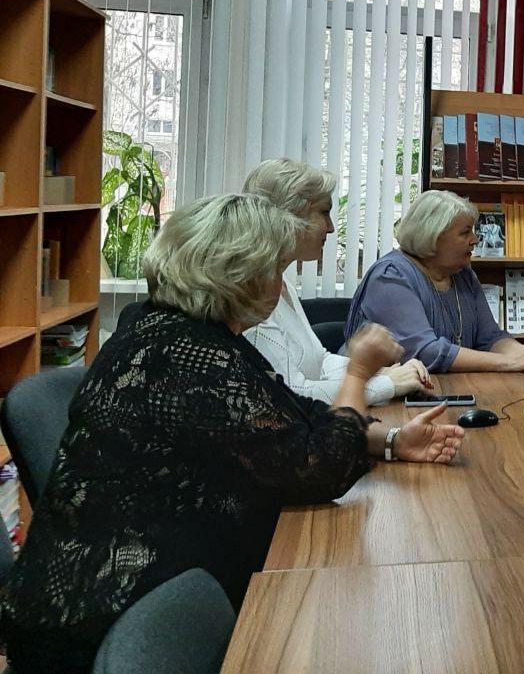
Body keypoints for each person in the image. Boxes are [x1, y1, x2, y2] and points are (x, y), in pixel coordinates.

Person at [0, 194, 464, 673]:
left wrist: (390, 440)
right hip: (104, 619)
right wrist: (359, 371)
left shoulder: (174, 329)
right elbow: (321, 468)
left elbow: (287, 413)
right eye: (275, 269)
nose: (279, 283)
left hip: (131, 586)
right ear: (241, 276)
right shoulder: (188, 359)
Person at [242, 157, 429, 404]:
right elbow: (291, 394)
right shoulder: (249, 294)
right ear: (290, 215)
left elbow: (320, 362)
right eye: (324, 212)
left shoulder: (281, 282)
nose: (331, 228)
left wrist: (381, 372)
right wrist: (388, 384)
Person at [345, 189, 524, 372]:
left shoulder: (463, 274)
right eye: (465, 233)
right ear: (433, 237)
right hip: (380, 396)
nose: (475, 240)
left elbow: (490, 337)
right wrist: (509, 362)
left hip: (447, 390)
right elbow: (425, 352)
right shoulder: (390, 275)